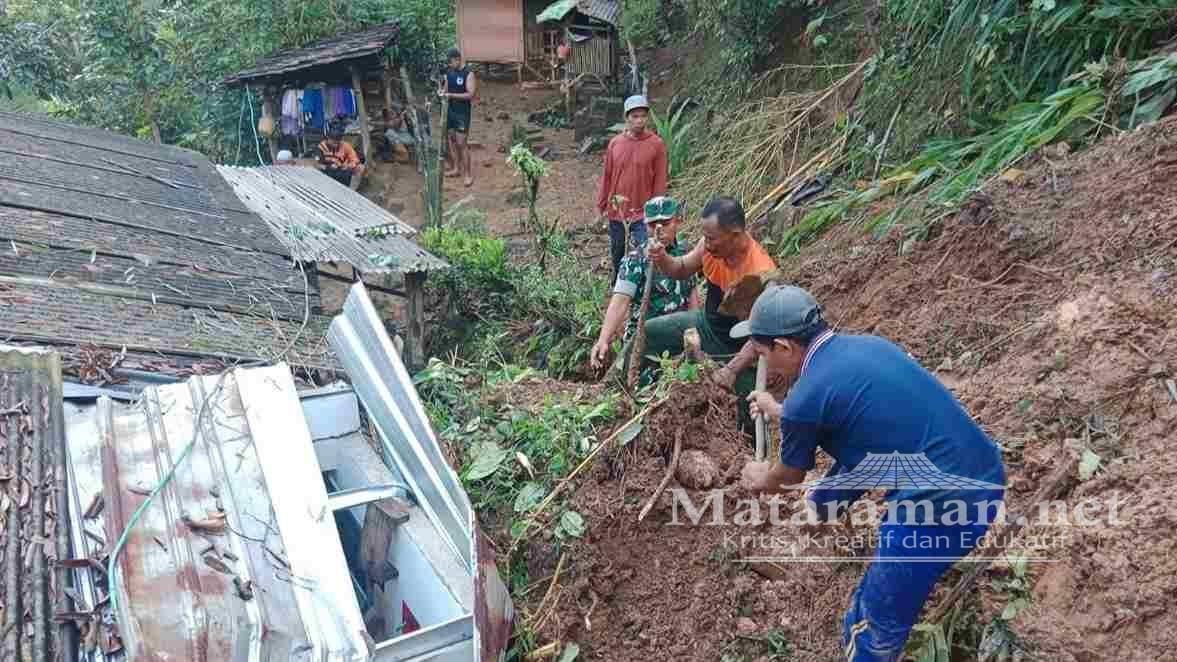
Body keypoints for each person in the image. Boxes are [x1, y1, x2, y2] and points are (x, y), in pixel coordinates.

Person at [736, 285, 1007, 661]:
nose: (765, 364)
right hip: (985, 477)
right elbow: (863, 434)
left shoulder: (806, 397)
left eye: (764, 354)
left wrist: (760, 476)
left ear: (784, 346)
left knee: (870, 625)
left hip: (937, 509)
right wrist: (780, 413)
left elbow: (790, 475)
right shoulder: (868, 348)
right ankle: (825, 517)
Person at [645, 196, 776, 415]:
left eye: (712, 239)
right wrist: (662, 258)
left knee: (745, 413)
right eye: (705, 237)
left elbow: (761, 335)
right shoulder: (709, 247)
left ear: (734, 235)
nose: (706, 244)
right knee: (650, 332)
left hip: (740, 353)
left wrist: (731, 370)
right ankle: (613, 388)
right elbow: (682, 267)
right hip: (706, 326)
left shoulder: (761, 275)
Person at [590, 196, 698, 382]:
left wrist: (695, 337)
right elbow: (620, 302)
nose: (659, 230)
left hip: (678, 342)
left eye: (665, 223)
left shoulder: (686, 255)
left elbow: (693, 300)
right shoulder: (635, 260)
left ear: (677, 221)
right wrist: (603, 340)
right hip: (644, 344)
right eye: (652, 224)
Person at [596, 94, 668, 282]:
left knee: (644, 253)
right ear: (626, 118)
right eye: (634, 116)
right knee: (618, 251)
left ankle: (641, 290)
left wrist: (656, 215)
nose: (639, 121)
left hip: (643, 213)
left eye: (643, 116)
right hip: (618, 211)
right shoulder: (615, 144)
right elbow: (607, 176)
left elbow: (660, 180)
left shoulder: (656, 145)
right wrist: (602, 204)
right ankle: (617, 286)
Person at [438, 47, 477, 187]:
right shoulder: (450, 72)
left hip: (462, 113)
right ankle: (456, 168)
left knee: (462, 143)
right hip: (450, 111)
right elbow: (446, 89)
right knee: (452, 140)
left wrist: (451, 96)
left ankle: (467, 174)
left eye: (451, 62)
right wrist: (442, 92)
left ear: (457, 59)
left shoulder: (469, 73)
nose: (449, 65)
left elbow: (470, 94)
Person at [318, 120, 364, 189]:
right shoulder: (321, 147)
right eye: (333, 142)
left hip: (342, 173)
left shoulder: (345, 146)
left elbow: (355, 160)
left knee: (357, 169)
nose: (336, 144)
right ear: (328, 138)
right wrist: (329, 167)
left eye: (338, 142)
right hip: (326, 174)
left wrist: (347, 166)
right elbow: (318, 164)